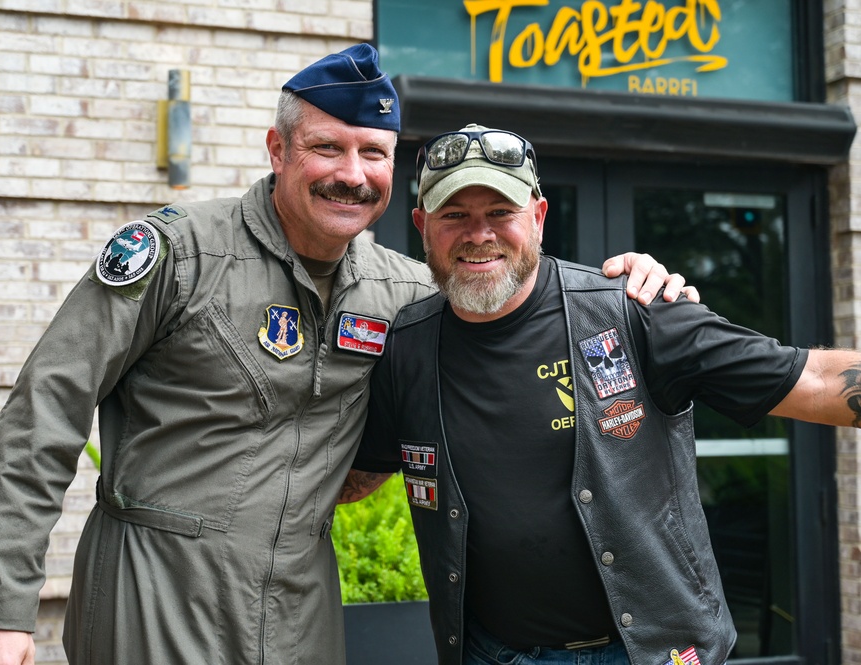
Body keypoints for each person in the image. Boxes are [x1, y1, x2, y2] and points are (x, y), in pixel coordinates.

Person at [0, 47, 694, 665]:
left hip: (301, 599)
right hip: (155, 582)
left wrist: (628, 286)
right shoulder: (177, 256)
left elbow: (513, 288)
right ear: (277, 149)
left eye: (372, 152)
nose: (352, 171)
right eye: (326, 147)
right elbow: (41, 415)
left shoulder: (404, 291)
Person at [344, 123, 861, 665]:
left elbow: (819, 382)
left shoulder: (635, 309)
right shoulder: (407, 345)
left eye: (501, 212)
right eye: (455, 215)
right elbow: (351, 477)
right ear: (423, 226)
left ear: (538, 217)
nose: (479, 234)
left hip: (652, 653)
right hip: (494, 654)